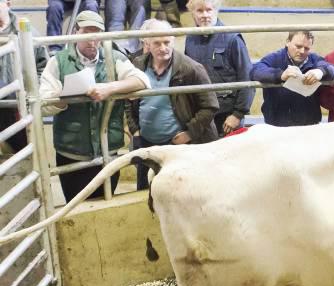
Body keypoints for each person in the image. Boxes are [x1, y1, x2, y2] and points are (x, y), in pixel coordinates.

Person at [39, 10, 149, 202]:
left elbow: (142, 81)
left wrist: (110, 88)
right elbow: (43, 104)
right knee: (75, 205)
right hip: (71, 151)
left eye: (96, 34)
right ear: (75, 33)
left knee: (106, 201)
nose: (92, 41)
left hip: (108, 150)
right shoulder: (58, 61)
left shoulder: (114, 58)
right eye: (86, 33)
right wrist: (66, 97)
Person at [127, 19, 219, 190]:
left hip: (178, 147)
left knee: (178, 193)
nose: (163, 48)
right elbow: (128, 101)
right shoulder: (137, 65)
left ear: (173, 40)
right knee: (144, 193)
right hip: (146, 144)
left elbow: (210, 106)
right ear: (147, 43)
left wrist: (189, 133)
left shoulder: (190, 69)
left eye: (167, 42)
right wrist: (135, 131)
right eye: (157, 43)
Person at [184, 0, 253, 136]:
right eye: (199, 10)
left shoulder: (232, 38)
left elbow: (247, 78)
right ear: (192, 13)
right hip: (201, 115)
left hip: (228, 117)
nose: (205, 15)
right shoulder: (190, 39)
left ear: (216, 10)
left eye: (209, 10)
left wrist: (237, 114)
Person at [249, 31, 334, 127]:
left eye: (307, 48)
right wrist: (280, 75)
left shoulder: (314, 59)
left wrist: (320, 72)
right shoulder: (274, 58)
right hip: (276, 125)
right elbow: (255, 71)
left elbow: (332, 69)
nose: (302, 51)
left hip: (309, 125)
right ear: (287, 42)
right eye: (298, 46)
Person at [0, 0, 48, 153]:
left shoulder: (27, 32)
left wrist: (31, 91)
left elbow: (42, 67)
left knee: (23, 151)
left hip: (17, 105)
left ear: (8, 4)